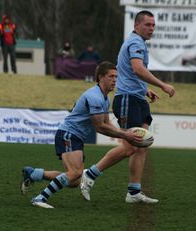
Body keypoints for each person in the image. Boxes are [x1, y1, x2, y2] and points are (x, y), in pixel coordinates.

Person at [80, 10, 175, 204]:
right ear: (136, 26)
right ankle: (90, 174)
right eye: (148, 25)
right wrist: (163, 85)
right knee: (129, 146)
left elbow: (128, 72)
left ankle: (133, 192)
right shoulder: (134, 42)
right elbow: (137, 69)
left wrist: (145, 89)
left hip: (137, 98)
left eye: (153, 25)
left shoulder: (138, 43)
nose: (152, 28)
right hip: (127, 100)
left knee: (142, 146)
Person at [20, 61, 142, 209]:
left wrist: (125, 133)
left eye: (116, 76)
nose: (115, 80)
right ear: (100, 77)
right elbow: (100, 127)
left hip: (75, 136)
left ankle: (33, 174)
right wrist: (125, 136)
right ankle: (40, 198)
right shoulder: (95, 97)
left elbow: (107, 122)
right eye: (111, 76)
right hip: (68, 134)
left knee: (74, 180)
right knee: (75, 172)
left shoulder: (105, 97)